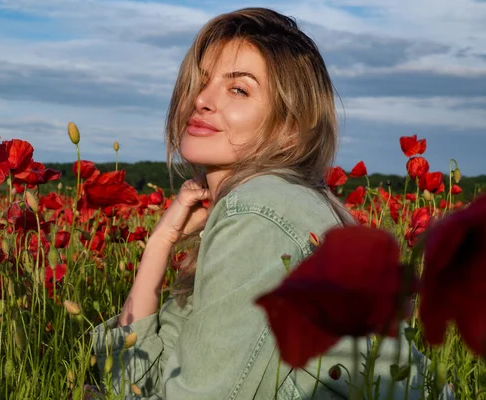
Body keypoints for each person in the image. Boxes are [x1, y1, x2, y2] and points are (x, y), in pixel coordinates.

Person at [90, 7, 454, 400]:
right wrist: (160, 243)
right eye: (202, 82)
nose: (202, 100)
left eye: (238, 89)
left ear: (290, 131)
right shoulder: (258, 206)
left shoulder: (260, 210)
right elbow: (141, 380)